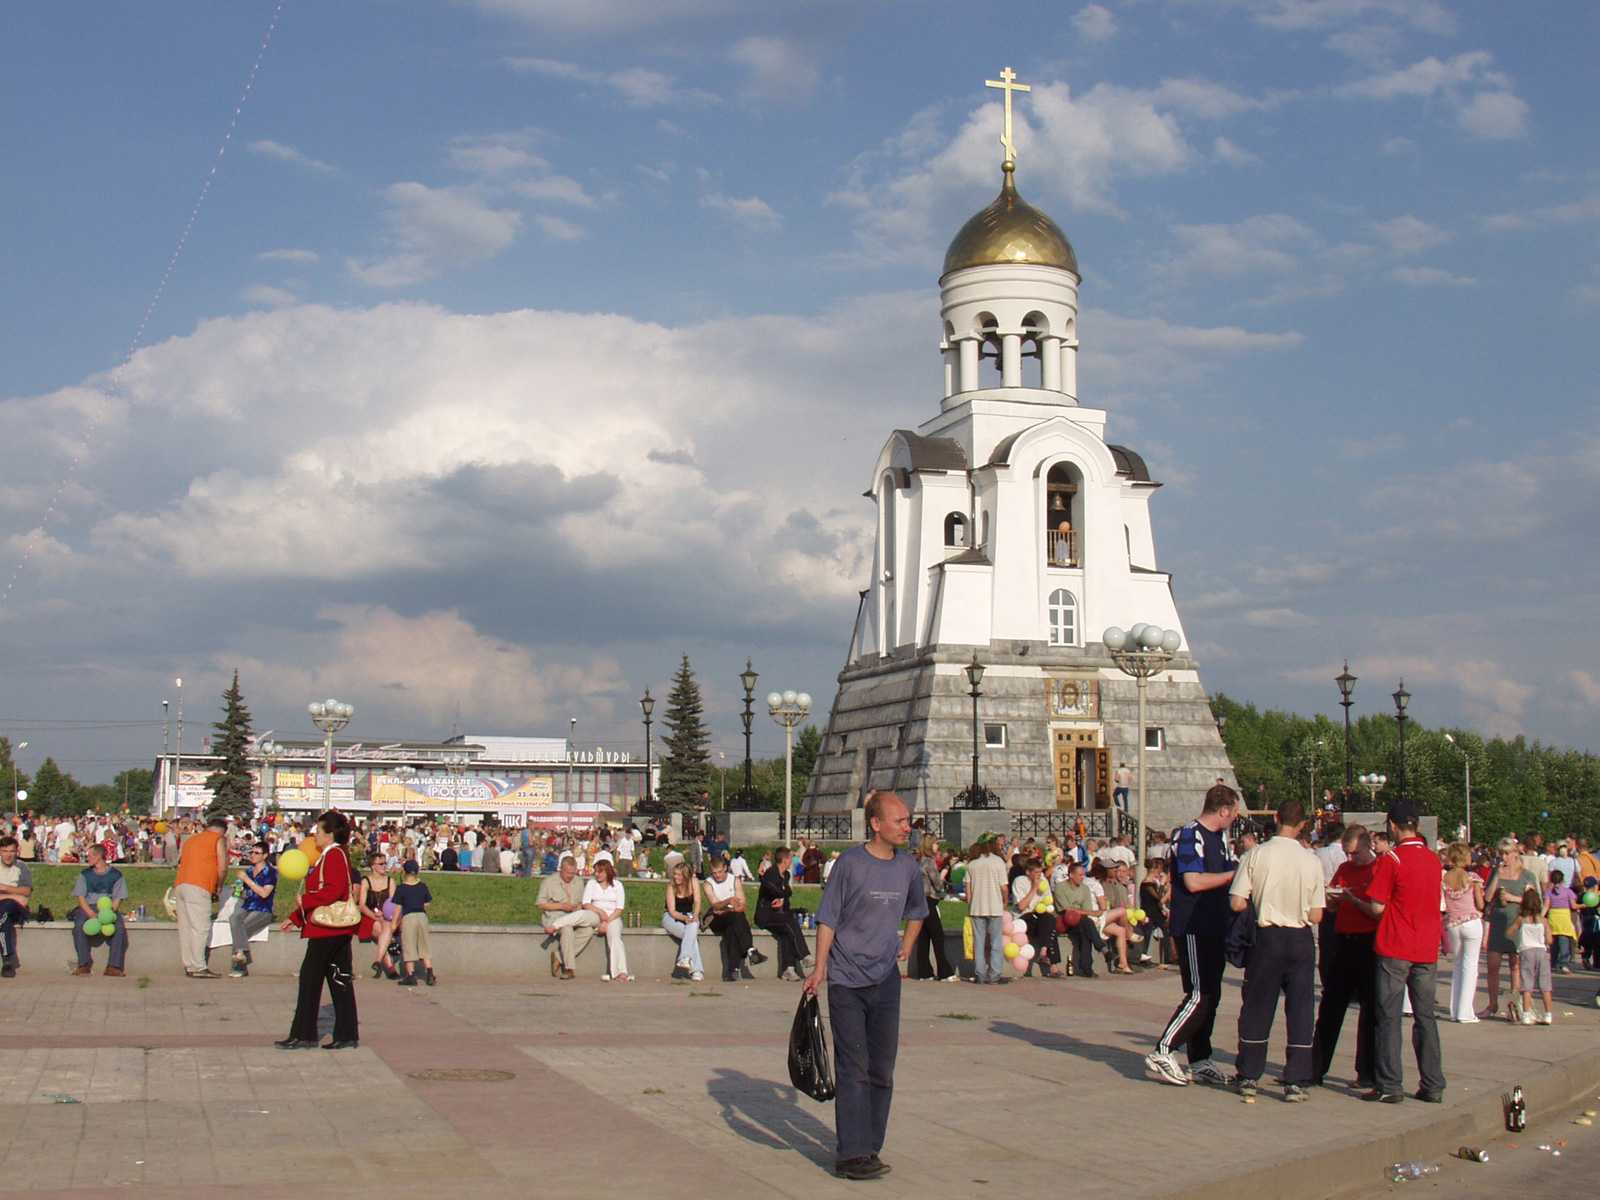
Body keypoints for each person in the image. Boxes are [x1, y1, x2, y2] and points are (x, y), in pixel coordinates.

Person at [804, 791, 926, 1181]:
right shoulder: (850, 865)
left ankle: (871, 1145)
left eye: (908, 820)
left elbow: (918, 912)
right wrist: (819, 968)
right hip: (846, 979)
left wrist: (904, 948)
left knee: (882, 1068)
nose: (908, 826)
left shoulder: (908, 867)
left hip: (886, 980)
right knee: (852, 1065)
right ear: (876, 824)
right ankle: (851, 1154)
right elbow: (828, 919)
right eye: (900, 821)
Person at [1227, 799, 1324, 1102]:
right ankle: (1295, 1079)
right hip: (1300, 938)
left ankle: (1249, 1075)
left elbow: (1236, 902)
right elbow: (1317, 915)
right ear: (1303, 824)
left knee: (1257, 1006)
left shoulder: (1257, 854)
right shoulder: (1311, 860)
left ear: (1277, 818)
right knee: (1300, 1008)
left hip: (1267, 936)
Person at [1146, 783, 1239, 1089]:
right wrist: (1231, 876)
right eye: (1234, 813)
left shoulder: (1219, 838)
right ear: (1223, 810)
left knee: (1212, 995)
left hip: (1215, 924)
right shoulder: (1190, 834)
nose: (1236, 819)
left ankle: (1200, 1059)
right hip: (1193, 926)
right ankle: (1163, 1049)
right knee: (1199, 994)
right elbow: (1193, 881)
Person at [1353, 799, 1445, 1104]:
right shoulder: (1433, 860)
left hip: (1395, 945)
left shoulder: (1392, 859)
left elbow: (1377, 906)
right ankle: (1432, 1083)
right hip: (1427, 947)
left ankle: (1390, 1084)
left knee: (1388, 1016)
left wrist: (1355, 903)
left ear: (1392, 825)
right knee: (1425, 1017)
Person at [277, 811, 360, 1050]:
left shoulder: (333, 855)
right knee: (339, 980)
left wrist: (304, 901)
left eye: (319, 831)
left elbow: (333, 891)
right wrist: (295, 918)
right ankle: (346, 1034)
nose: (314, 835)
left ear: (330, 833)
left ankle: (304, 1034)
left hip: (326, 932)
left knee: (310, 981)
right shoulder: (335, 854)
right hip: (336, 931)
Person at [1314, 826, 1379, 1086]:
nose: (1351, 859)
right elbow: (1331, 900)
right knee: (1331, 1005)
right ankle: (1315, 1066)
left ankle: (1367, 1071)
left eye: (1355, 853)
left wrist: (1353, 901)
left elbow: (1377, 911)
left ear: (1366, 845)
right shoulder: (1344, 870)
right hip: (1343, 939)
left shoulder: (1377, 869)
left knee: (1370, 1010)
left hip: (1368, 941)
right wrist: (1332, 900)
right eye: (1347, 854)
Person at [1483, 838, 1538, 1020]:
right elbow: (1488, 897)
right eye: (1501, 854)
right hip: (1498, 922)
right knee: (1493, 965)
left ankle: (1514, 1004)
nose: (1504, 857)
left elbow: (1534, 902)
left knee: (1516, 965)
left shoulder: (1527, 875)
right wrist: (1497, 876)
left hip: (1517, 922)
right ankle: (1492, 1005)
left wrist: (1513, 897)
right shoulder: (1496, 871)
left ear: (1515, 854)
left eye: (1507, 853)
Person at [174, 814, 228, 979]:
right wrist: (218, 885)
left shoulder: (191, 840)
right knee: (200, 927)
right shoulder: (217, 839)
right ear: (222, 831)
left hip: (181, 884)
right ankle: (199, 966)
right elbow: (223, 867)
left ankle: (189, 964)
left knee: (186, 928)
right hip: (200, 885)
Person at [1441, 843, 1485, 1022]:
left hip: (1453, 924)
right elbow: (1481, 904)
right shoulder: (1472, 878)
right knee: (1471, 967)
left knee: (1458, 966)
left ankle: (1455, 1010)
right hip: (1471, 922)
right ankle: (1465, 1012)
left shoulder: (1444, 879)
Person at [71, 845, 129, 977]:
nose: (87, 858)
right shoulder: (85, 874)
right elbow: (80, 897)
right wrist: (90, 913)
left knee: (119, 928)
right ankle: (84, 964)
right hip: (89, 906)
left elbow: (118, 899)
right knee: (79, 925)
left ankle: (114, 966)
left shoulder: (116, 875)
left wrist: (108, 914)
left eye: (89, 855)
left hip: (107, 908)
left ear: (98, 857)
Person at [757, 847, 813, 981]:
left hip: (781, 915)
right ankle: (804, 955)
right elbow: (772, 890)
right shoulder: (771, 874)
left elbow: (787, 893)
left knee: (786, 932)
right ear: (785, 859)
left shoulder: (786, 875)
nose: (791, 862)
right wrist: (782, 895)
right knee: (788, 920)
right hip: (766, 915)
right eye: (790, 858)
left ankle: (788, 969)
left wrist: (782, 897)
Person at [704, 856, 762, 980]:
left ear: (725, 868)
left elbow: (742, 905)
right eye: (714, 873)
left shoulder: (734, 880)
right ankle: (750, 949)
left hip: (731, 916)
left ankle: (732, 970)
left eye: (719, 872)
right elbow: (715, 905)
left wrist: (730, 908)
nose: (717, 876)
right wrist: (729, 901)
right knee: (736, 918)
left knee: (732, 927)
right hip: (716, 919)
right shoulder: (708, 883)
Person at [538, 855, 595, 980]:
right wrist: (561, 906)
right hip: (554, 917)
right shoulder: (549, 882)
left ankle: (559, 957)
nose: (570, 876)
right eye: (568, 873)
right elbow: (540, 903)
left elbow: (582, 902)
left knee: (588, 930)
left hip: (574, 915)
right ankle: (569, 968)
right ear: (561, 870)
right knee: (567, 928)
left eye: (573, 873)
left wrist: (577, 907)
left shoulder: (578, 881)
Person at [908, 836, 956, 982]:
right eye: (935, 843)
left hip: (917, 901)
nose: (937, 846)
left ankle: (924, 972)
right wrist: (943, 883)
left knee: (923, 937)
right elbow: (937, 883)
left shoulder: (916, 861)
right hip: (929, 900)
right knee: (937, 936)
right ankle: (945, 972)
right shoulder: (929, 862)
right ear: (930, 845)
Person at [228, 842, 277, 979]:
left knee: (240, 927)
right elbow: (244, 894)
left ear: (265, 855)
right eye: (252, 852)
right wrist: (238, 890)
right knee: (234, 919)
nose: (253, 855)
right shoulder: (249, 871)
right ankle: (240, 955)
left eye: (257, 853)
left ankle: (239, 966)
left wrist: (247, 881)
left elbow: (264, 894)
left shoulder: (270, 872)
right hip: (247, 906)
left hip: (263, 909)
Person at [965, 836, 1008, 984]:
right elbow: (1004, 887)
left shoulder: (972, 864)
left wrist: (970, 906)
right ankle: (995, 974)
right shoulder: (998, 862)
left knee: (979, 942)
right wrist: (1005, 900)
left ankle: (980, 974)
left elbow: (968, 890)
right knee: (996, 942)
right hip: (995, 906)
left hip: (977, 907)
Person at [1507, 889, 1552, 1025]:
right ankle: (1548, 1015)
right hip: (1541, 951)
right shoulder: (1543, 920)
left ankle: (1526, 1015)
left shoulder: (1521, 919)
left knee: (1527, 984)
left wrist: (1516, 937)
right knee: (1545, 985)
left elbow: (1510, 932)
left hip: (1526, 951)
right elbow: (1549, 939)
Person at [582, 859, 629, 982]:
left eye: (600, 872)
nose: (597, 874)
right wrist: (600, 913)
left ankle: (621, 971)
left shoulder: (618, 885)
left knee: (615, 937)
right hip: (595, 915)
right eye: (596, 872)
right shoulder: (591, 884)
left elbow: (619, 908)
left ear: (608, 872)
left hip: (613, 917)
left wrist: (606, 922)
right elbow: (586, 903)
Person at [393, 860, 436, 987]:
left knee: (409, 945)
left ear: (404, 872)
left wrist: (394, 924)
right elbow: (427, 903)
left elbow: (398, 908)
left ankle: (411, 975)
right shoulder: (422, 886)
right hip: (422, 917)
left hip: (409, 917)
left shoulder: (401, 888)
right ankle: (429, 972)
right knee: (424, 945)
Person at [662, 861, 705, 981]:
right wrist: (685, 918)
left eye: (679, 875)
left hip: (689, 915)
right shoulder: (671, 886)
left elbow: (697, 901)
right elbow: (672, 911)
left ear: (686, 876)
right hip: (671, 917)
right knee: (691, 936)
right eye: (675, 874)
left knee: (692, 926)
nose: (676, 877)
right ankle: (696, 970)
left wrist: (695, 915)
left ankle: (684, 959)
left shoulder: (693, 882)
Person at [357, 857, 399, 980]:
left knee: (384, 928)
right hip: (369, 916)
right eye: (381, 864)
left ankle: (378, 961)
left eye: (385, 863)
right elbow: (362, 905)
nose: (384, 866)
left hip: (387, 917)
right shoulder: (366, 881)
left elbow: (393, 903)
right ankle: (390, 967)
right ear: (373, 866)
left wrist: (384, 915)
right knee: (381, 930)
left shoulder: (390, 881)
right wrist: (374, 915)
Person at [0, 836, 33, 977]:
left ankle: (7, 960)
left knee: (5, 909)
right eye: (5, 851)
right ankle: (8, 960)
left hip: (15, 907)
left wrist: (4, 889)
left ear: (17, 852)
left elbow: (26, 891)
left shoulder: (21, 867)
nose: (8, 855)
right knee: (3, 918)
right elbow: (20, 894)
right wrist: (14, 894)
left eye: (11, 851)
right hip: (6, 905)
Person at [1544, 869, 1578, 975]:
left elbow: (1546, 907)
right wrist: (1584, 905)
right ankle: (1563, 964)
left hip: (1553, 918)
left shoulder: (1548, 892)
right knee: (1564, 943)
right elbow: (1573, 906)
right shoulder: (1568, 892)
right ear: (1563, 880)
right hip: (1564, 919)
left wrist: (1539, 918)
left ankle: (1553, 964)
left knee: (1553, 943)